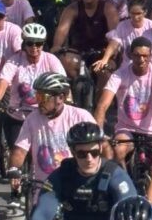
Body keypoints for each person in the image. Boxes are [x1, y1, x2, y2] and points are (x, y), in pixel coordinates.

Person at [6, 71, 95, 207]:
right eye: (37, 96)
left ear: (60, 97)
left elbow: (100, 146)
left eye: (44, 97)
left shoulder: (80, 116)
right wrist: (14, 169)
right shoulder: (32, 119)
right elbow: (19, 150)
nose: (39, 102)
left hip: (75, 184)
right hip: (44, 188)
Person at [0, 23, 67, 152]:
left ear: (43, 44)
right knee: (16, 151)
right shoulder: (14, 60)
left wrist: (66, 100)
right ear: (24, 44)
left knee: (42, 151)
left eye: (38, 43)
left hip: (42, 115)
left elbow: (63, 84)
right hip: (17, 115)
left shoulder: (51, 60)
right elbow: (4, 82)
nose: (34, 47)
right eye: (30, 43)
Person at [94, 36, 152, 139]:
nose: (141, 60)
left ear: (151, 56)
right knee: (119, 149)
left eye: (145, 56)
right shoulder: (119, 75)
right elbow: (102, 105)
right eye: (137, 55)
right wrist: (98, 138)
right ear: (130, 55)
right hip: (126, 130)